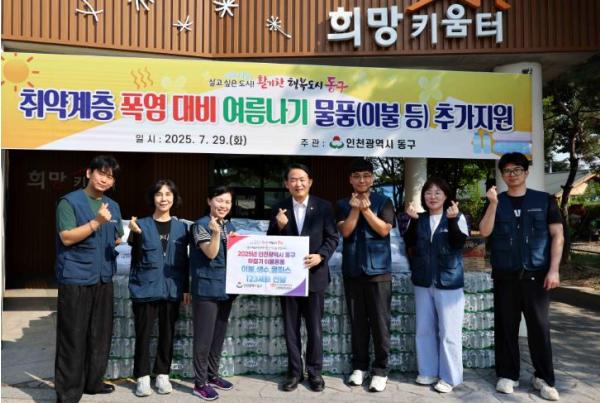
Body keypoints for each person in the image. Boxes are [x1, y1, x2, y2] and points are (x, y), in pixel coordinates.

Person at [479, 152, 563, 401]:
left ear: (526, 173)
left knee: (539, 328)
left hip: (537, 275)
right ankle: (507, 375)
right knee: (506, 326)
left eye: (517, 170)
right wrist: (493, 204)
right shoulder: (496, 201)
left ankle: (544, 378)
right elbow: (484, 231)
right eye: (507, 171)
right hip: (505, 275)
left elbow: (557, 235)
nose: (512, 174)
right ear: (502, 175)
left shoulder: (544, 200)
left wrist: (554, 269)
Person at [54, 155, 123, 403]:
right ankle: (68, 393)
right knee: (73, 337)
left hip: (103, 278)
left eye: (110, 176)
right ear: (88, 173)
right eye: (101, 173)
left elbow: (117, 236)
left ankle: (93, 382)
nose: (105, 179)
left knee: (100, 335)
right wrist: (96, 222)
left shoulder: (113, 206)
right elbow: (66, 237)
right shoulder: (69, 202)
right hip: (75, 277)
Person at [267, 163, 339, 392]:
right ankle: (294, 373)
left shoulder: (324, 207)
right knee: (291, 328)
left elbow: (332, 237)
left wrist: (321, 256)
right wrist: (279, 227)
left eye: (302, 179)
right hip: (288, 278)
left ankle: (315, 373)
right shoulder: (278, 208)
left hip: (315, 276)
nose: (298, 183)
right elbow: (270, 242)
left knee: (314, 328)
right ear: (286, 184)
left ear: (310, 182)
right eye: (293, 179)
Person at [404, 177, 469, 394]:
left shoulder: (457, 216)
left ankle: (450, 377)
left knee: (449, 332)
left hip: (449, 282)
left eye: (438, 192)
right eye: (428, 192)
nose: (432, 197)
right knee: (424, 329)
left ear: (446, 196)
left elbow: (459, 243)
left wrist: (452, 220)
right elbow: (410, 243)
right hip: (423, 281)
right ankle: (428, 371)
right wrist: (412, 221)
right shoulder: (418, 218)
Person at [335, 159, 395, 392]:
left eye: (366, 175)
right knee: (357, 323)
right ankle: (359, 367)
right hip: (353, 270)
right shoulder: (342, 204)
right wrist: (354, 209)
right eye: (357, 176)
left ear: (372, 178)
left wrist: (366, 210)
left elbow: (383, 229)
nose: (362, 180)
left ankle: (381, 370)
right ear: (350, 179)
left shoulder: (384, 201)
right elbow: (346, 231)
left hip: (379, 272)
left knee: (380, 324)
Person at [127, 179, 190, 397]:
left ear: (174, 198)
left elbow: (185, 261)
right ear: (152, 198)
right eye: (159, 194)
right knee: (143, 334)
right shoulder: (140, 224)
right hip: (145, 287)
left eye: (168, 194)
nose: (164, 199)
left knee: (167, 334)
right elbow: (136, 258)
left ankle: (163, 374)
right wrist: (135, 234)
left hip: (172, 288)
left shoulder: (182, 228)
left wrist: (186, 288)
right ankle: (142, 377)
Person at [189, 186, 237, 401]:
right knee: (204, 338)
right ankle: (200, 383)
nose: (223, 205)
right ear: (209, 201)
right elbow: (210, 253)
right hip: (207, 288)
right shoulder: (200, 225)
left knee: (218, 336)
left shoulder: (229, 225)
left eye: (227, 202)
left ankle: (212, 375)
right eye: (219, 200)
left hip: (226, 288)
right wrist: (216, 233)